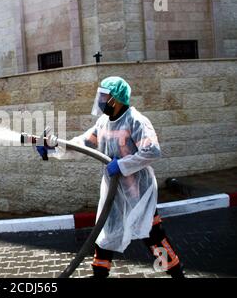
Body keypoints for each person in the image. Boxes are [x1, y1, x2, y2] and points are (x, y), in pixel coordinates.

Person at [38, 76, 185, 278]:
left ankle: (177, 274)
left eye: (104, 96)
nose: (100, 100)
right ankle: (99, 276)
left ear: (115, 99)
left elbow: (152, 150)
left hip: (138, 194)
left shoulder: (136, 121)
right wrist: (54, 148)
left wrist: (123, 165)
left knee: (153, 238)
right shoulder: (103, 123)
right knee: (105, 235)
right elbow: (83, 145)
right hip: (113, 195)